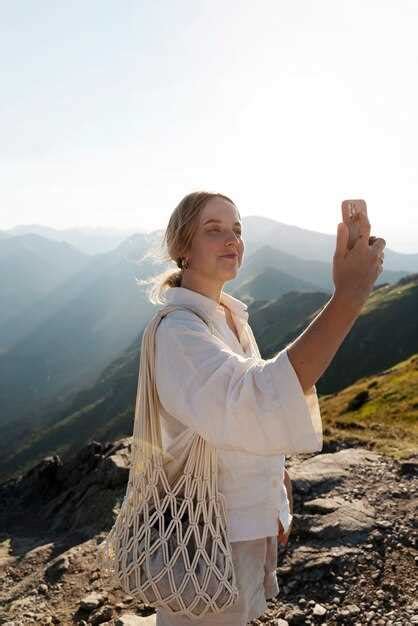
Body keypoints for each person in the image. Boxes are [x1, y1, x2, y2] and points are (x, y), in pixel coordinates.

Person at [141, 191, 386, 625]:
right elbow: (256, 400)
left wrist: (278, 488)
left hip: (240, 523)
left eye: (237, 230)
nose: (232, 239)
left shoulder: (229, 317)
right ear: (182, 247)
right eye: (213, 230)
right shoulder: (179, 332)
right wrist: (348, 297)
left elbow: (248, 419)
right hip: (206, 533)